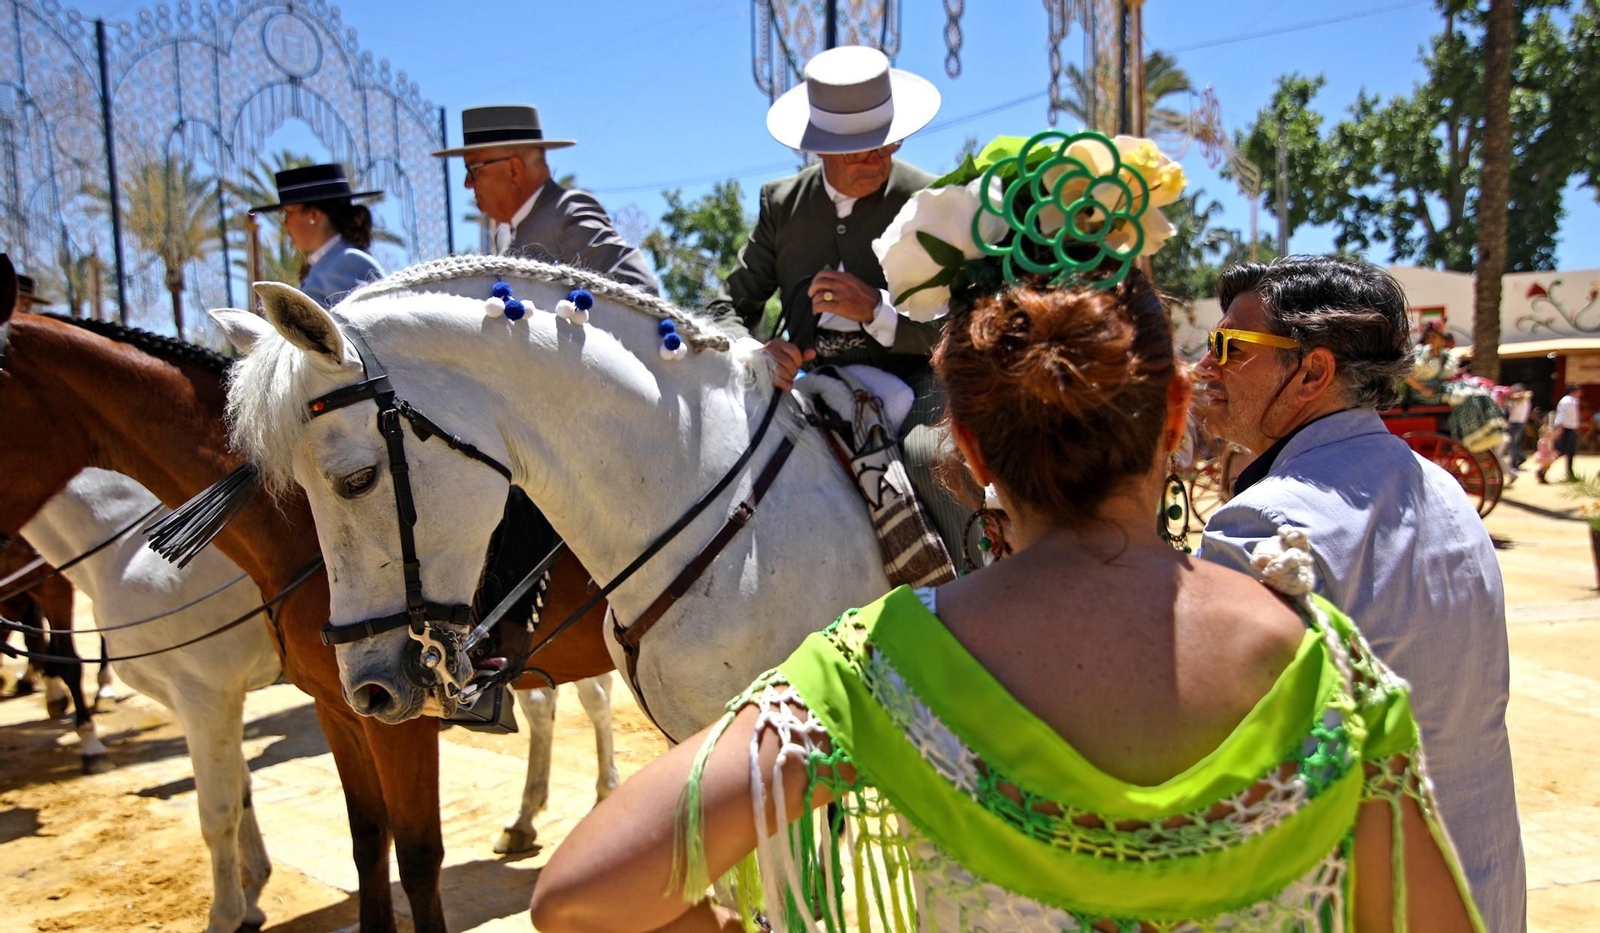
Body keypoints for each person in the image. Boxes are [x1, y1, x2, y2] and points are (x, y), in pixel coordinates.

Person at [530, 270, 1483, 932]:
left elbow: (578, 897)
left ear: (972, 456)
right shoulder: (1322, 663)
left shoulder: (876, 662)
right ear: (1179, 420)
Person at [1195, 256, 1525, 933]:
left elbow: (1216, 770)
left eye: (1229, 347)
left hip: (1363, 900)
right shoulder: (1446, 490)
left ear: (1312, 372)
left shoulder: (1264, 520)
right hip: (1480, 891)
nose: (1207, 368)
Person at [709, 45, 964, 549]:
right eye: (863, 147)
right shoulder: (781, 206)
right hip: (817, 384)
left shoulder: (930, 199)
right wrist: (755, 352)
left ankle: (969, 593)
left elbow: (963, 323)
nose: (881, 157)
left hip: (918, 379)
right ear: (820, 146)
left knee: (929, 455)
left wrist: (878, 312)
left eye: (887, 142)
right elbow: (725, 309)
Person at [433, 105, 658, 294]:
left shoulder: (567, 212)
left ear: (514, 169)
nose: (467, 183)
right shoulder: (504, 233)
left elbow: (639, 290)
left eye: (473, 169)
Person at [253, 163, 385, 309]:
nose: (285, 224)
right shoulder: (329, 264)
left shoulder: (348, 262)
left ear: (314, 215)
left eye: (288, 213)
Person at [1539, 384, 1582, 483]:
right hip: (1565, 429)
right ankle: (1542, 471)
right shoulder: (1566, 401)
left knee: (1570, 452)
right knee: (1559, 451)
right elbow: (1561, 416)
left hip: (1569, 429)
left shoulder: (1573, 401)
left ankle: (1569, 474)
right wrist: (1560, 428)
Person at [1506, 384, 1533, 472]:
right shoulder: (1526, 400)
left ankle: (1514, 463)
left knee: (1512, 444)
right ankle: (1520, 457)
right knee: (1516, 443)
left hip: (1515, 423)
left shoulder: (1521, 400)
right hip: (1521, 423)